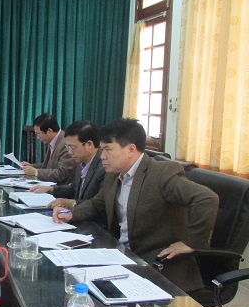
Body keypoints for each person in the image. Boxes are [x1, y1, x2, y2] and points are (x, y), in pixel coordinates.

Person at [53, 118, 219, 292]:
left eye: (108, 149)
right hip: (121, 255)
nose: (102, 156)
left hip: (156, 264)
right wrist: (72, 214)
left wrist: (191, 242)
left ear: (131, 149)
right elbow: (98, 203)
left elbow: (206, 199)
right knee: (72, 277)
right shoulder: (114, 173)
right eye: (102, 150)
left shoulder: (162, 173)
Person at [29, 120, 105, 209]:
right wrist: (50, 189)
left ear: (89, 144)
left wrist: (72, 203)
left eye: (72, 147)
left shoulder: (104, 167)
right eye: (67, 147)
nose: (69, 152)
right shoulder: (81, 162)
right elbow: (75, 188)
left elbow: (100, 204)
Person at [21, 113, 75, 185]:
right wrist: (32, 166)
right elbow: (50, 166)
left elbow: (62, 173)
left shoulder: (65, 144)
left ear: (49, 130)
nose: (38, 137)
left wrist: (36, 172)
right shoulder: (54, 141)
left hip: (60, 187)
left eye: (38, 134)